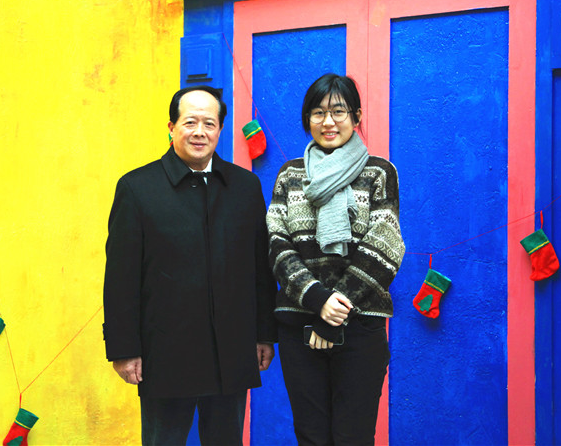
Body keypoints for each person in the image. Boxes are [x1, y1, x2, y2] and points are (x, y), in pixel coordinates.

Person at [103, 85, 277, 446]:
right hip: (165, 352)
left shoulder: (244, 187)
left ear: (220, 129)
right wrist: (123, 349)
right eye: (190, 122)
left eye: (209, 124)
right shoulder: (137, 188)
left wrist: (264, 334)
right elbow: (120, 278)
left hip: (232, 348)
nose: (200, 132)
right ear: (171, 127)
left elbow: (260, 269)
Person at [267, 73, 405, 445]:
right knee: (311, 436)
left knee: (352, 437)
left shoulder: (379, 173)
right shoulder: (290, 176)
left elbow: (385, 245)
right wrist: (317, 299)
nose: (328, 121)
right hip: (299, 326)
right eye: (318, 112)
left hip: (360, 328)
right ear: (307, 119)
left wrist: (336, 310)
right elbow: (277, 244)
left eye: (338, 111)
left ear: (356, 116)